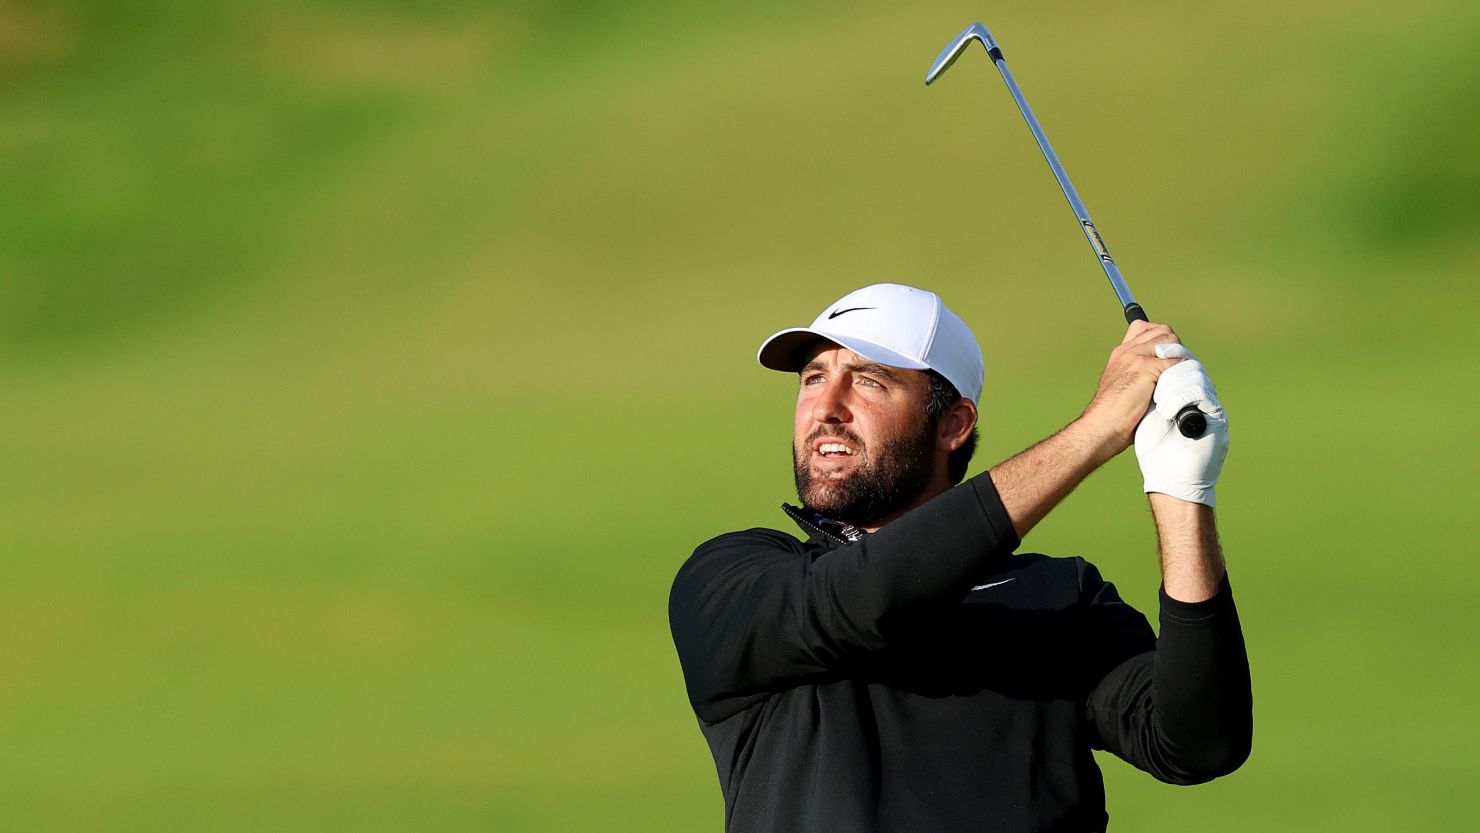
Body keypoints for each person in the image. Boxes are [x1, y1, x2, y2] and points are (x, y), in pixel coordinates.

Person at [668, 283, 1252, 833]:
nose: (826, 407)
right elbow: (856, 598)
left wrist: (1183, 491)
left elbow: (1198, 744)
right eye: (814, 378)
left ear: (953, 424)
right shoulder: (733, 578)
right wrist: (1094, 432)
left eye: (868, 381)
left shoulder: (1056, 596)